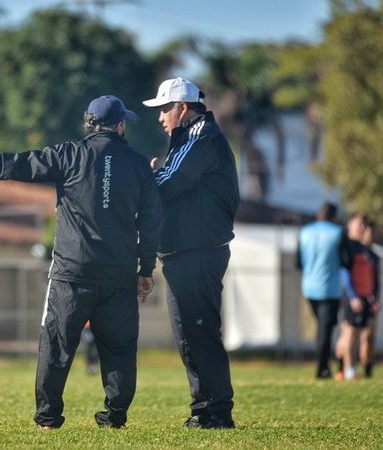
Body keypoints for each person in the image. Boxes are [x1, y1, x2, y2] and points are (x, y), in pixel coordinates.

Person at [0, 95, 161, 429]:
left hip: (71, 272)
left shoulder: (69, 155)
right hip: (118, 274)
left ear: (89, 124)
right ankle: (116, 416)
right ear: (120, 125)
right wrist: (146, 269)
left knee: (56, 345)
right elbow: (151, 221)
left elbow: (18, 164)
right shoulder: (139, 165)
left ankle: (48, 418)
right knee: (120, 348)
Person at [142, 77, 239, 429]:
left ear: (183, 108)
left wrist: (146, 180)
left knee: (199, 333)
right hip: (187, 252)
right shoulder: (189, 138)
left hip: (198, 252)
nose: (161, 116)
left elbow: (170, 182)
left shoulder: (201, 137)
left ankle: (216, 412)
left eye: (165, 108)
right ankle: (205, 410)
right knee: (190, 335)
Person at [296, 202, 345, 379]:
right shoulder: (338, 232)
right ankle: (322, 368)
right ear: (334, 217)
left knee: (323, 327)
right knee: (326, 329)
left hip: (309, 288)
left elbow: (299, 262)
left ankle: (324, 365)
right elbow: (347, 261)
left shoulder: (304, 232)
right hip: (330, 289)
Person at [334, 213, 377, 380]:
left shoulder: (361, 247)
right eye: (359, 224)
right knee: (350, 332)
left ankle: (346, 368)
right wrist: (352, 296)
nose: (362, 227)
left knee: (355, 333)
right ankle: (348, 369)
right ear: (349, 225)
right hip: (352, 296)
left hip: (363, 296)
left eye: (363, 225)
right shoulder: (347, 245)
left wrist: (371, 296)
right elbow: (345, 273)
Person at [358, 220, 380, 377]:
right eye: (367, 232)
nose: (370, 236)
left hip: (370, 300)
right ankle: (344, 366)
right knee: (351, 335)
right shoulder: (355, 252)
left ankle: (367, 370)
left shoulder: (374, 256)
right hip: (356, 299)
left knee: (369, 335)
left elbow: (376, 280)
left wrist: (376, 299)